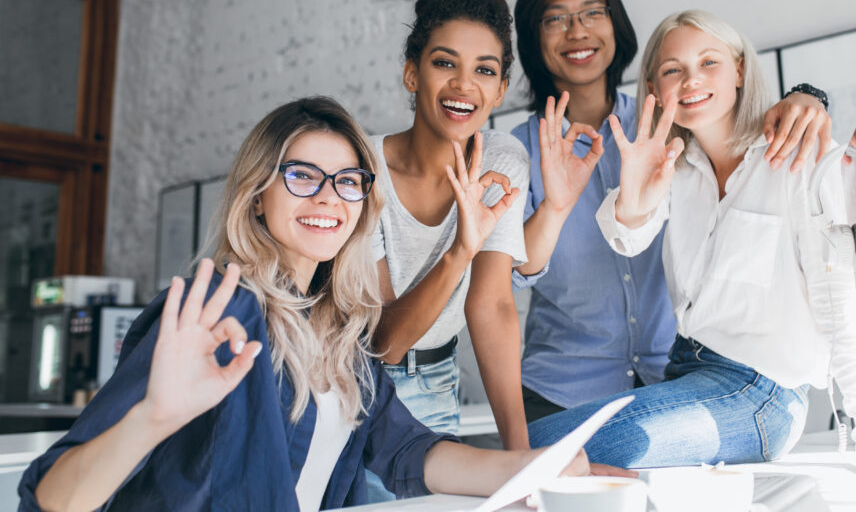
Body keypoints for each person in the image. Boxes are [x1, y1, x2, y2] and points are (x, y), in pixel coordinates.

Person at [18, 97, 588, 511]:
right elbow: (51, 498)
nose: (326, 196)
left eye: (347, 181)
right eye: (301, 175)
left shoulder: (343, 332)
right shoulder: (215, 313)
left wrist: (537, 470)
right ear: (257, 195)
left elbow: (409, 453)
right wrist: (151, 420)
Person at [527, 11, 856, 470]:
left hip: (761, 394)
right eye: (673, 70)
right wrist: (635, 193)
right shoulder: (677, 169)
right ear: (654, 88)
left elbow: (840, 300)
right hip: (684, 372)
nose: (691, 79)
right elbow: (627, 237)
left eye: (709, 62)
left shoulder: (800, 158)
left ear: (740, 72)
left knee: (548, 448)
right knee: (531, 442)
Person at [509, 0, 834, 423]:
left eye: (592, 13)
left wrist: (808, 95)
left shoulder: (675, 129)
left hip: (677, 379)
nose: (577, 31)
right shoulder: (519, 151)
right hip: (561, 386)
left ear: (614, 25)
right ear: (533, 40)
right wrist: (558, 205)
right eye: (555, 19)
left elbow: (736, 119)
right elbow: (516, 272)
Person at [365, 0, 533, 499]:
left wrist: (521, 461)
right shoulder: (361, 167)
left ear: (500, 89)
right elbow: (384, 343)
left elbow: (492, 307)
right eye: (444, 63)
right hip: (357, 387)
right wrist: (461, 247)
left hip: (439, 384)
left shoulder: (504, 159)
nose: (464, 85)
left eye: (484, 70)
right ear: (412, 74)